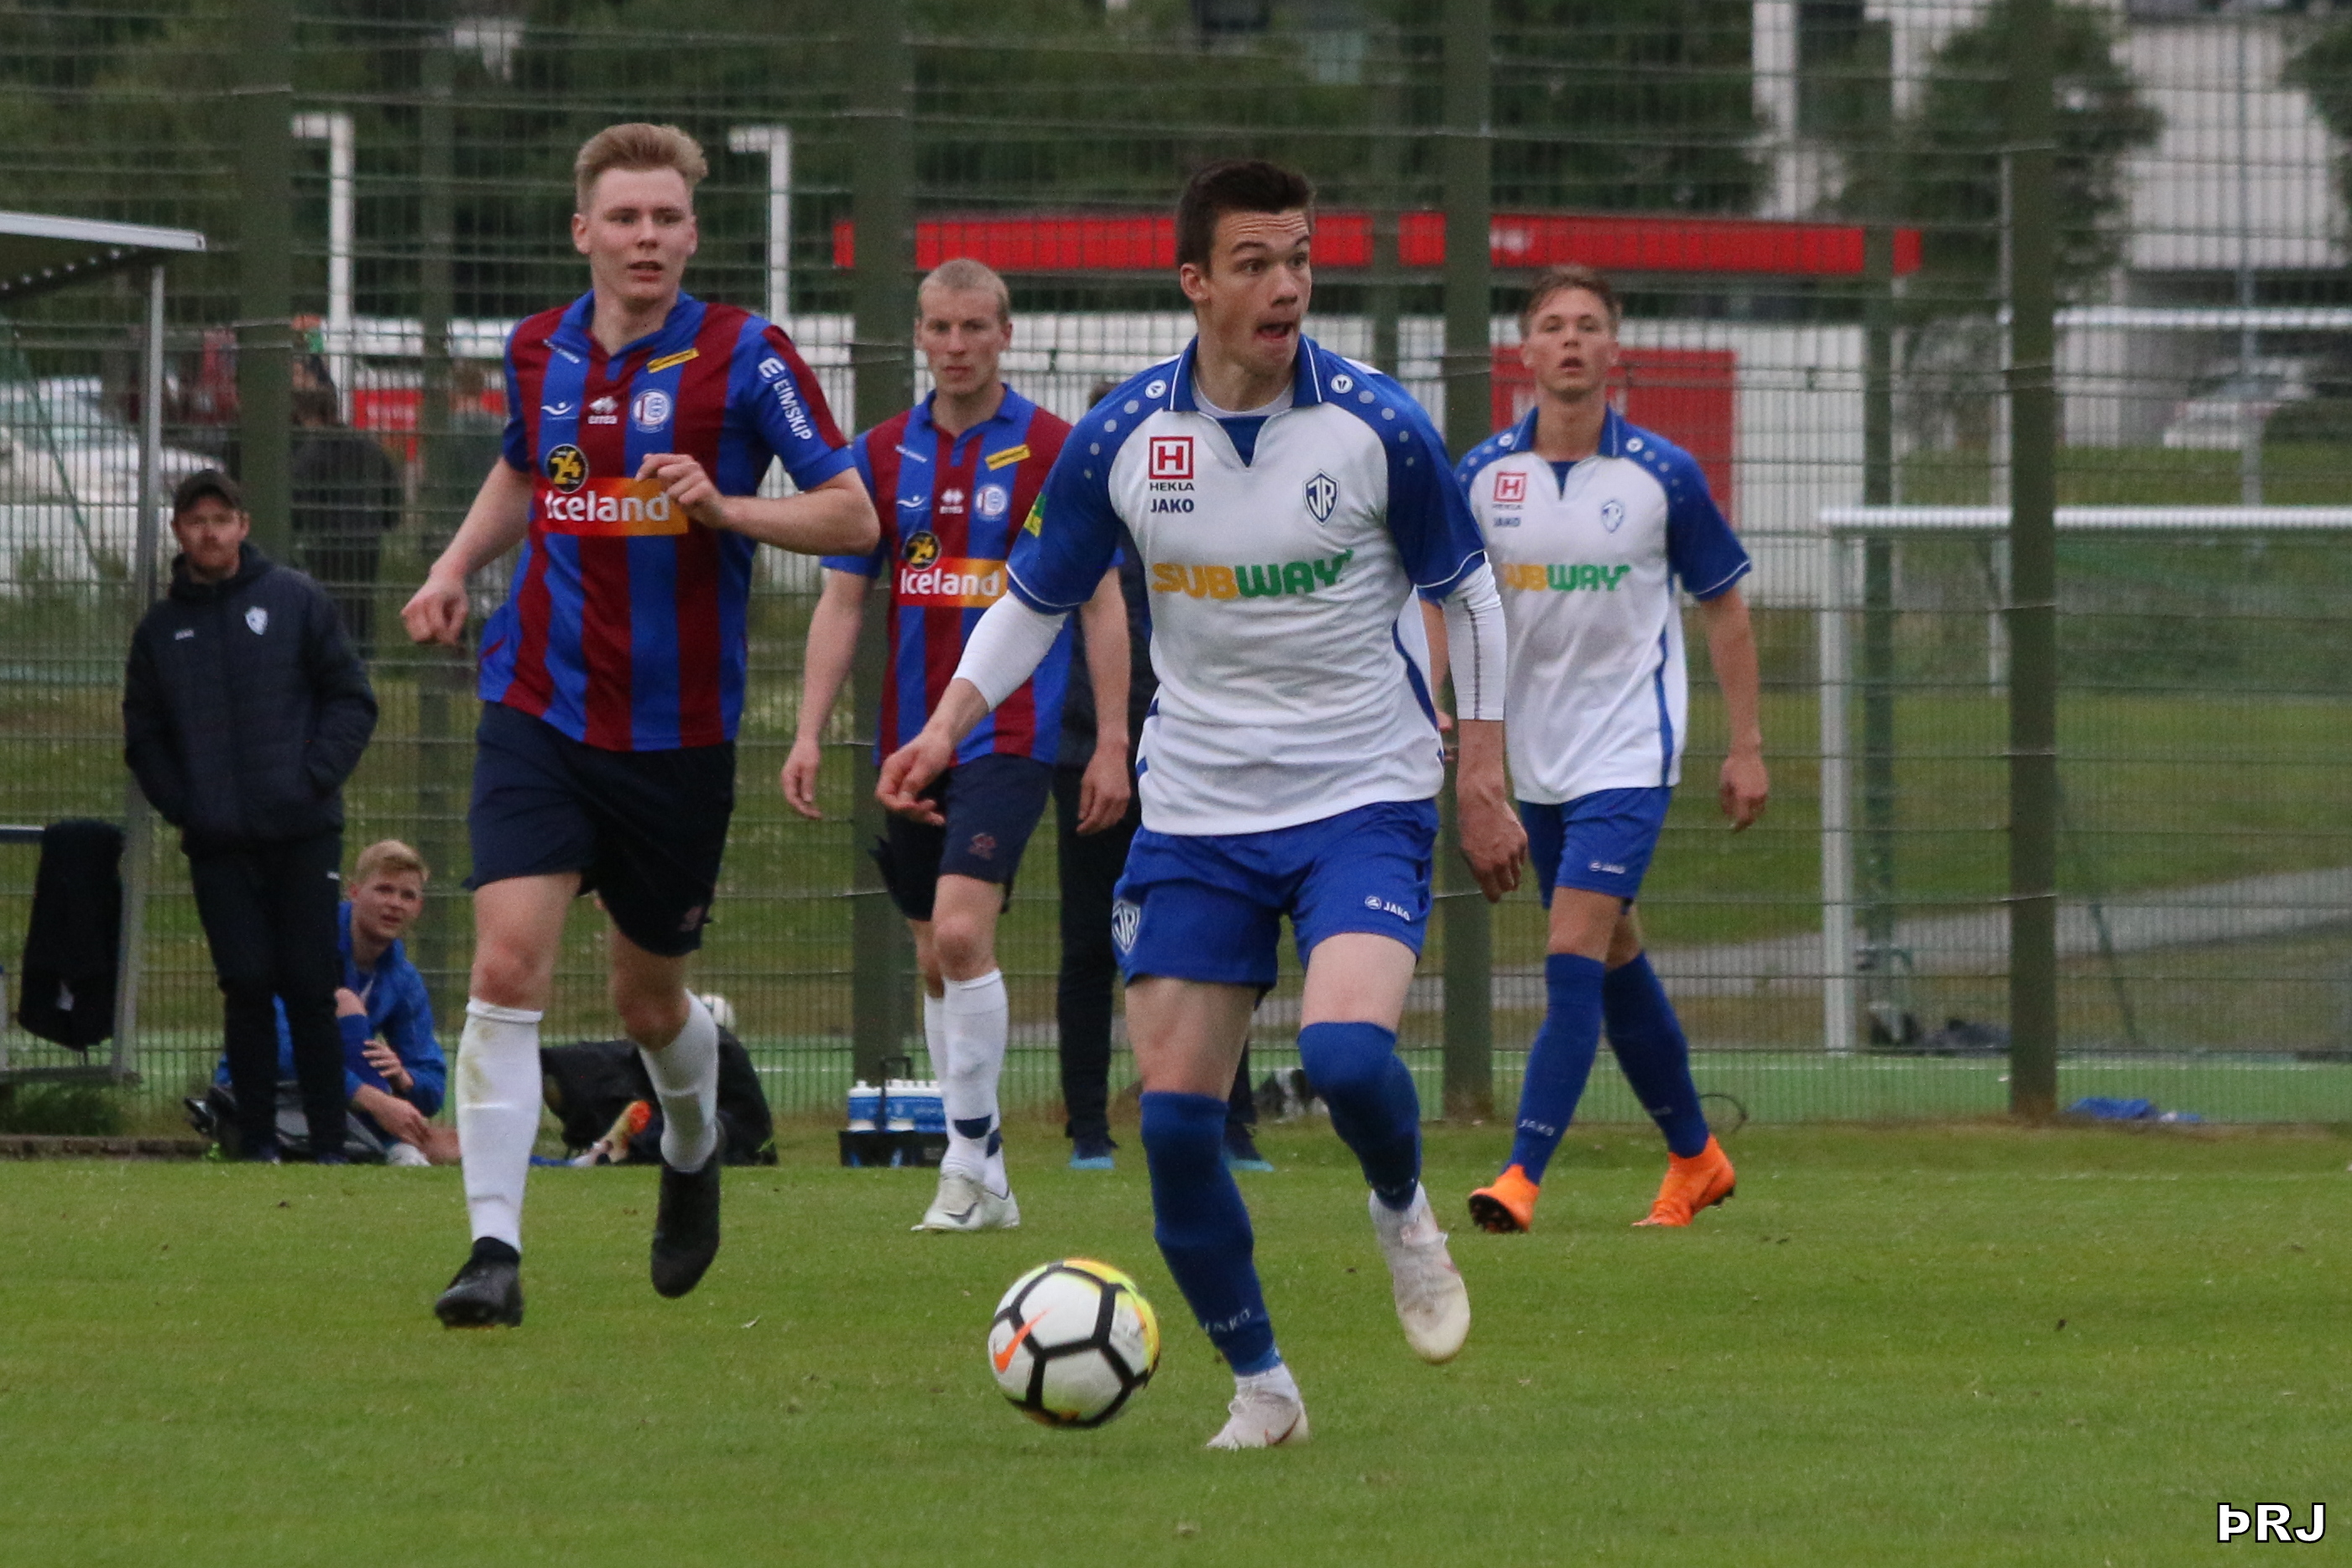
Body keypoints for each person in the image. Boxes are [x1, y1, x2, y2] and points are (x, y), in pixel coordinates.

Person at [878, 159, 1524, 1448]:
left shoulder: (1376, 425)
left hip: (1360, 793)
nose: (1285, 285)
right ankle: (1263, 1389)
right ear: (1194, 283)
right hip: (1196, 814)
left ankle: (1400, 1207)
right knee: (1174, 1125)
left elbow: (1468, 592)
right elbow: (1033, 600)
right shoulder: (1123, 437)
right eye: (1253, 263)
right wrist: (945, 726)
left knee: (1344, 1058)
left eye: (1298, 259)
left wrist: (1482, 770)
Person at [400, 122, 876, 1328]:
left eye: (665, 218)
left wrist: (728, 507)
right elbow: (526, 470)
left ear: (692, 234)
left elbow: (854, 516)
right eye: (624, 217)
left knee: (649, 1005)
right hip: (538, 705)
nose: (645, 237)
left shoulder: (746, 355)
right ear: (584, 232)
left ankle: (692, 1144)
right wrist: (454, 565)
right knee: (505, 966)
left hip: (677, 738)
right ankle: (492, 1250)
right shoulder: (535, 349)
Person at [784, 258, 1123, 1232]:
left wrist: (1111, 739)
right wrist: (807, 732)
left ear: (1005, 335)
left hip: (1010, 735)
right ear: (919, 336)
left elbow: (1101, 602)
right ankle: (989, 1172)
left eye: (975, 327)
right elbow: (843, 600)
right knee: (936, 958)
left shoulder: (1054, 449)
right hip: (908, 743)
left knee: (966, 935)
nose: (957, 345)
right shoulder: (880, 454)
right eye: (940, 327)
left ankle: (964, 1166)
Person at [1455, 265, 1768, 1235]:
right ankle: (1696, 1156)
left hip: (1630, 752)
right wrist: (1448, 724)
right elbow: (1447, 603)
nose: (1571, 339)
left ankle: (1521, 1175)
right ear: (1525, 351)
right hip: (1536, 760)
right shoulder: (1483, 477)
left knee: (1570, 954)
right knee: (1614, 952)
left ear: (1614, 350)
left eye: (1588, 325)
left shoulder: (1661, 474)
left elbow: (1723, 607)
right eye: (1553, 325)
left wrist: (1746, 745)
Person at [125, 468, 379, 1164]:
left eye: (221, 519)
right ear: (178, 531)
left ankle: (329, 1142)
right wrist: (189, 807)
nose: (209, 532)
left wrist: (311, 780)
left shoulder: (295, 599)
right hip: (218, 842)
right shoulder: (159, 631)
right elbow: (144, 736)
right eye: (196, 520)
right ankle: (257, 1141)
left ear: (243, 525)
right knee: (244, 983)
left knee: (309, 984)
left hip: (303, 832)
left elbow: (352, 698)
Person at [1055, 383, 1266, 1175]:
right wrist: (1105, 745)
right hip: (1090, 752)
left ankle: (1231, 1123)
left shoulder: (1207, 521)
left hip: (1200, 754)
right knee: (1089, 939)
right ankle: (1088, 1131)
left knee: (1219, 932)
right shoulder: (1084, 517)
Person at [208, 838, 455, 1165]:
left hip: (337, 1107)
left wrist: (403, 1077)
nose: (395, 904)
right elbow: (279, 1048)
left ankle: (400, 1146)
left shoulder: (404, 979)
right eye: (384, 889)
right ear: (354, 892)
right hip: (261, 1096)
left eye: (407, 895)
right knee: (344, 1003)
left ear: (418, 907)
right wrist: (375, 1100)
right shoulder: (305, 947)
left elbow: (432, 1084)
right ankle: (397, 1147)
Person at [289, 357, 402, 656]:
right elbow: (393, 499)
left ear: (304, 415)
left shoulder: (308, 456)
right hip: (366, 541)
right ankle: (361, 659)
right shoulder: (370, 448)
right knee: (360, 608)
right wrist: (382, 523)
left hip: (324, 545)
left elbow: (297, 506)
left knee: (326, 609)